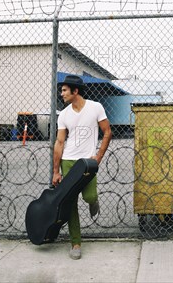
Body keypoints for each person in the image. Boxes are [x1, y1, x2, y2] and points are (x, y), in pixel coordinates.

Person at [52, 75, 112, 260]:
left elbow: (107, 132)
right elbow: (60, 142)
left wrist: (98, 157)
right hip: (68, 161)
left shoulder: (96, 108)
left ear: (75, 91)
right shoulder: (64, 114)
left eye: (64, 90)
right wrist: (56, 171)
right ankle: (75, 243)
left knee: (89, 196)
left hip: (87, 162)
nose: (61, 94)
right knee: (70, 204)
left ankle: (94, 201)